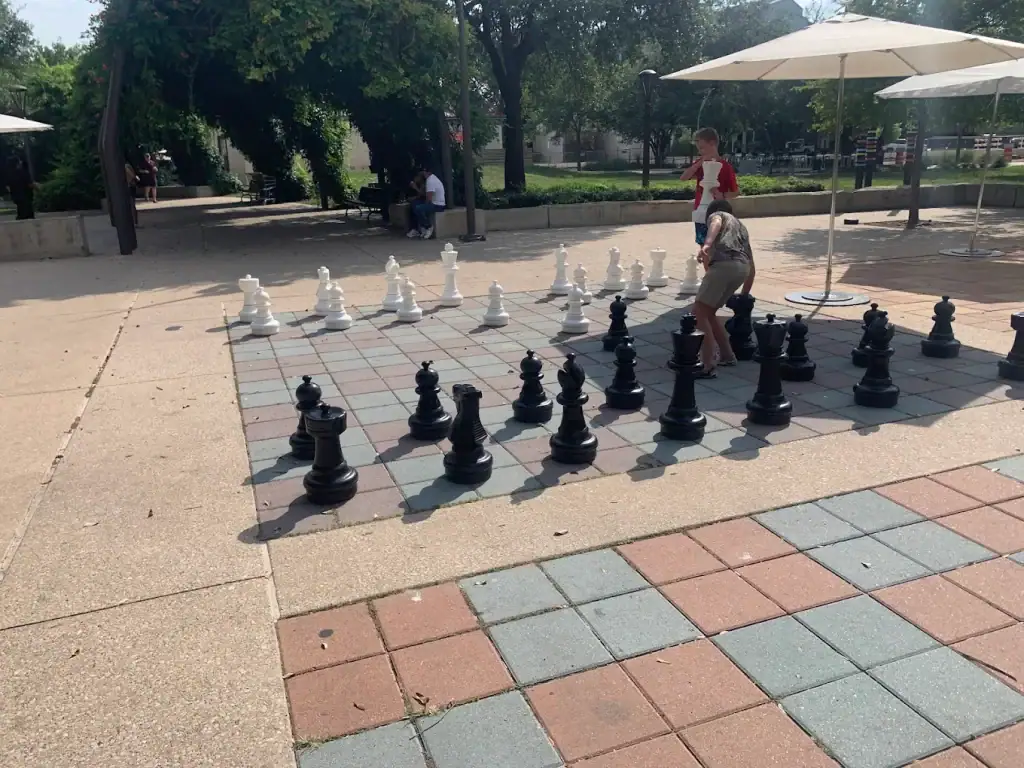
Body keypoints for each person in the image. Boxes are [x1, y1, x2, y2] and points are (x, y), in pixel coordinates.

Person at [693, 199, 755, 377]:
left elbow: (716, 222)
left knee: (698, 312)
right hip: (742, 268)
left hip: (724, 264)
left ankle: (708, 363)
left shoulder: (719, 215)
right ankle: (728, 355)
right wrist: (744, 294)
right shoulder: (741, 228)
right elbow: (752, 262)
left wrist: (707, 244)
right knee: (709, 312)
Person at [680, 127, 739, 251]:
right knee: (704, 247)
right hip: (701, 212)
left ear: (712, 143)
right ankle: (708, 270)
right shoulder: (700, 165)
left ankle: (718, 269)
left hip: (719, 213)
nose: (700, 152)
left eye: (702, 148)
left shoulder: (726, 167)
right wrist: (699, 163)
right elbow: (684, 178)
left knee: (719, 247)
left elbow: (735, 192)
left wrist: (722, 196)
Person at [407, 167, 446, 239]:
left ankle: (428, 226)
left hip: (437, 204)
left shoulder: (430, 181)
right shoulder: (431, 179)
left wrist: (424, 206)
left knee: (418, 208)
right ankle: (420, 228)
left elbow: (429, 198)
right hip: (435, 203)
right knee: (415, 205)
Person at [7, 156, 35, 220]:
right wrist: (38, 189)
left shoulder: (10, 174)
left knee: (20, 214)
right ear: (17, 163)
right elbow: (30, 184)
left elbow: (8, 187)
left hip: (16, 198)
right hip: (26, 197)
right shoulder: (23, 172)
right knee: (28, 215)